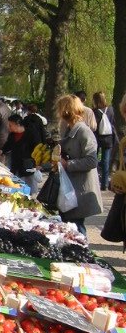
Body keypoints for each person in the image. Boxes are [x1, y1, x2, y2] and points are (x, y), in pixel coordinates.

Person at [55, 94, 103, 236]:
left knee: (77, 228)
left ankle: (82, 254)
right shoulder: (70, 129)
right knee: (70, 225)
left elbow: (92, 161)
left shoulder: (83, 131)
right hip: (71, 188)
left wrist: (67, 164)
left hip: (80, 189)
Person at [0, 113, 42, 187]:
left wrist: (38, 163)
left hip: (28, 166)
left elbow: (38, 149)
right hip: (15, 165)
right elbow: (8, 144)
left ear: (17, 124)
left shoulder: (31, 134)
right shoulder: (12, 135)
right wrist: (2, 150)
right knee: (15, 185)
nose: (9, 127)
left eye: (10, 125)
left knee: (29, 188)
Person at [92, 91, 116, 191]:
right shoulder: (110, 110)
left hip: (97, 138)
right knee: (106, 161)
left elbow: (93, 126)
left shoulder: (94, 111)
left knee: (94, 160)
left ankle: (95, 182)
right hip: (108, 138)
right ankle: (104, 184)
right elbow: (113, 123)